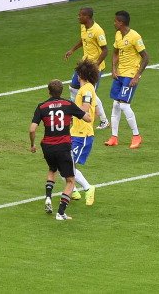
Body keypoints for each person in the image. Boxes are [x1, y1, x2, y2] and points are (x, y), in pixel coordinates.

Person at [29, 79, 92, 221]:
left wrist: (32, 145)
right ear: (61, 91)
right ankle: (61, 213)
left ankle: (48, 198)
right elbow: (87, 118)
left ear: (48, 91)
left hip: (47, 147)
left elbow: (32, 129)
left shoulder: (42, 107)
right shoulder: (68, 104)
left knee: (52, 169)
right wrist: (86, 104)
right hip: (63, 147)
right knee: (70, 181)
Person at [104, 10, 149, 149]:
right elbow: (116, 51)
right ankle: (114, 137)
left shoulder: (135, 36)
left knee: (124, 105)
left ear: (121, 22)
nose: (114, 23)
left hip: (130, 74)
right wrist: (113, 68)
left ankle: (136, 136)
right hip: (120, 74)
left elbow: (146, 57)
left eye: (116, 21)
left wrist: (137, 76)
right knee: (116, 105)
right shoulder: (118, 34)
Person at [64, 7, 110, 130]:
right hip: (84, 64)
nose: (78, 17)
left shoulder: (98, 31)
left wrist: (96, 64)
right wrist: (72, 50)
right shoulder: (83, 27)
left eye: (80, 15)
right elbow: (83, 40)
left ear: (87, 17)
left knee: (91, 94)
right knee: (73, 88)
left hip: (94, 68)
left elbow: (105, 50)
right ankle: (76, 114)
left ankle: (104, 120)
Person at [69, 60, 99, 206]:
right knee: (63, 163)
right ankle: (73, 190)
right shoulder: (88, 88)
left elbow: (86, 108)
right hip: (75, 132)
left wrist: (70, 109)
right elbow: (96, 109)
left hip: (82, 135)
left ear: (81, 74)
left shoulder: (87, 89)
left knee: (67, 164)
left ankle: (88, 188)